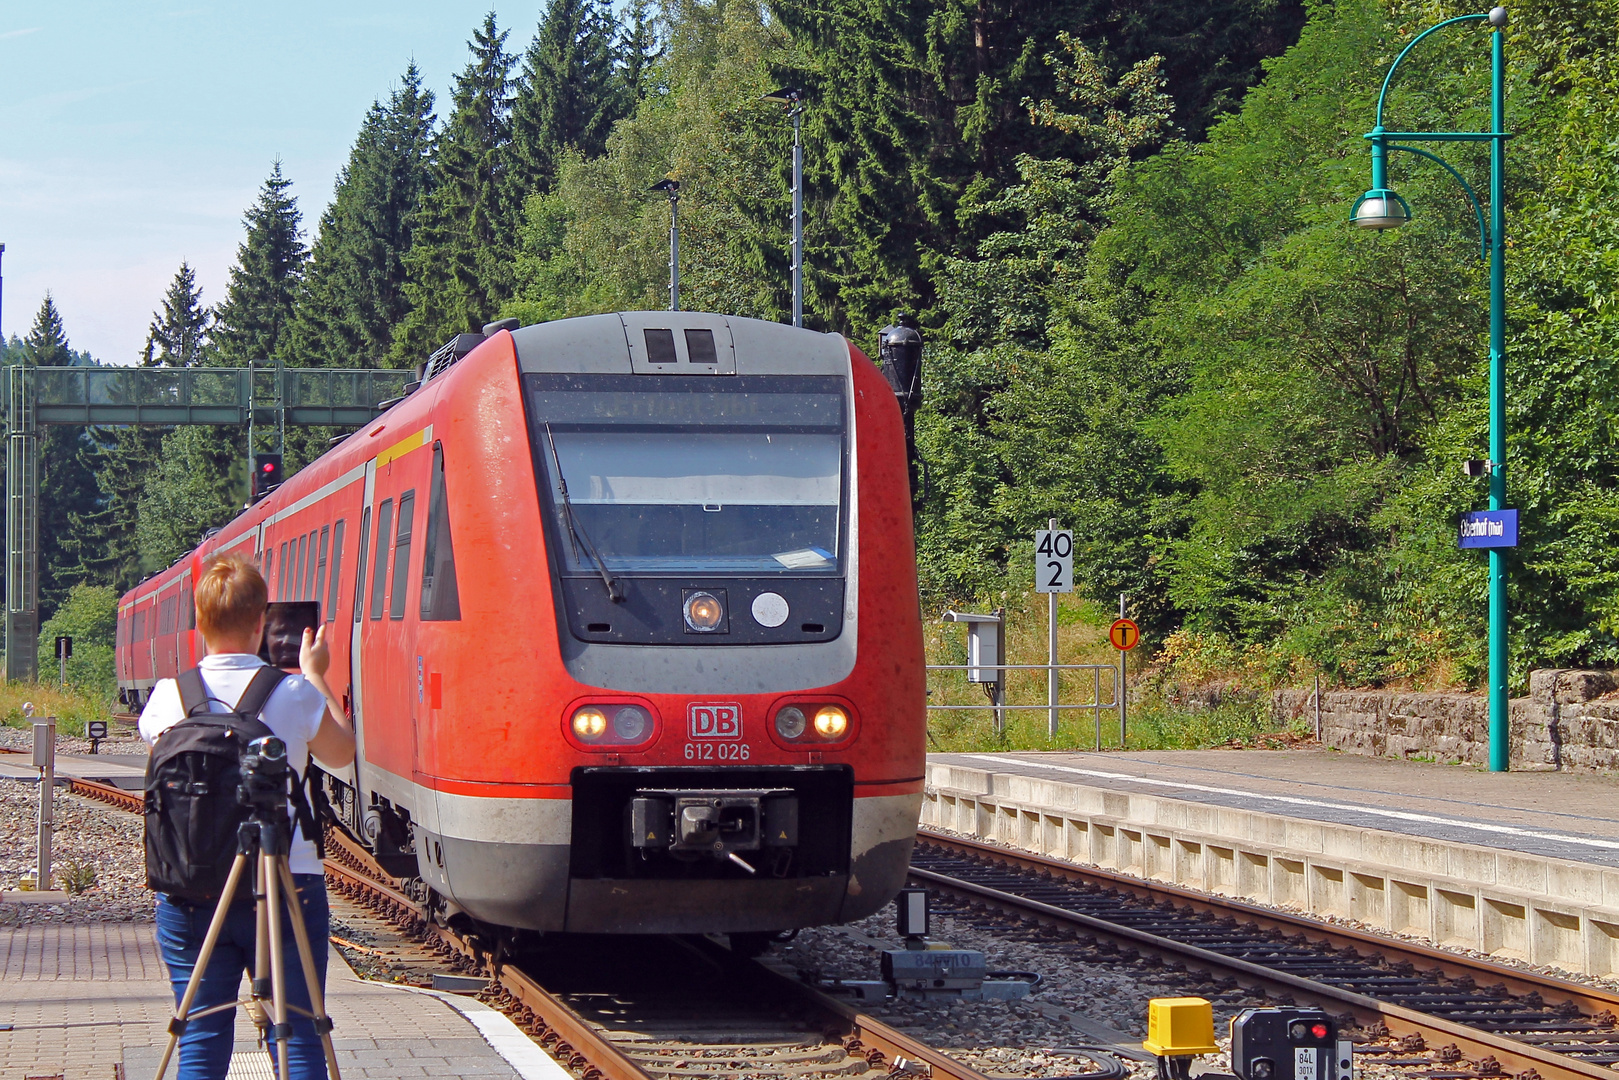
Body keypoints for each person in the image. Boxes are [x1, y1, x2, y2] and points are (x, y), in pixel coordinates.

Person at [139, 552, 354, 1080]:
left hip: (191, 889)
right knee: (300, 1032)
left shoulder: (169, 697)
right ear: (262, 622)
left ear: (199, 623)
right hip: (286, 883)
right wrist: (315, 674)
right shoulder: (295, 694)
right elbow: (343, 752)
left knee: (202, 1035)